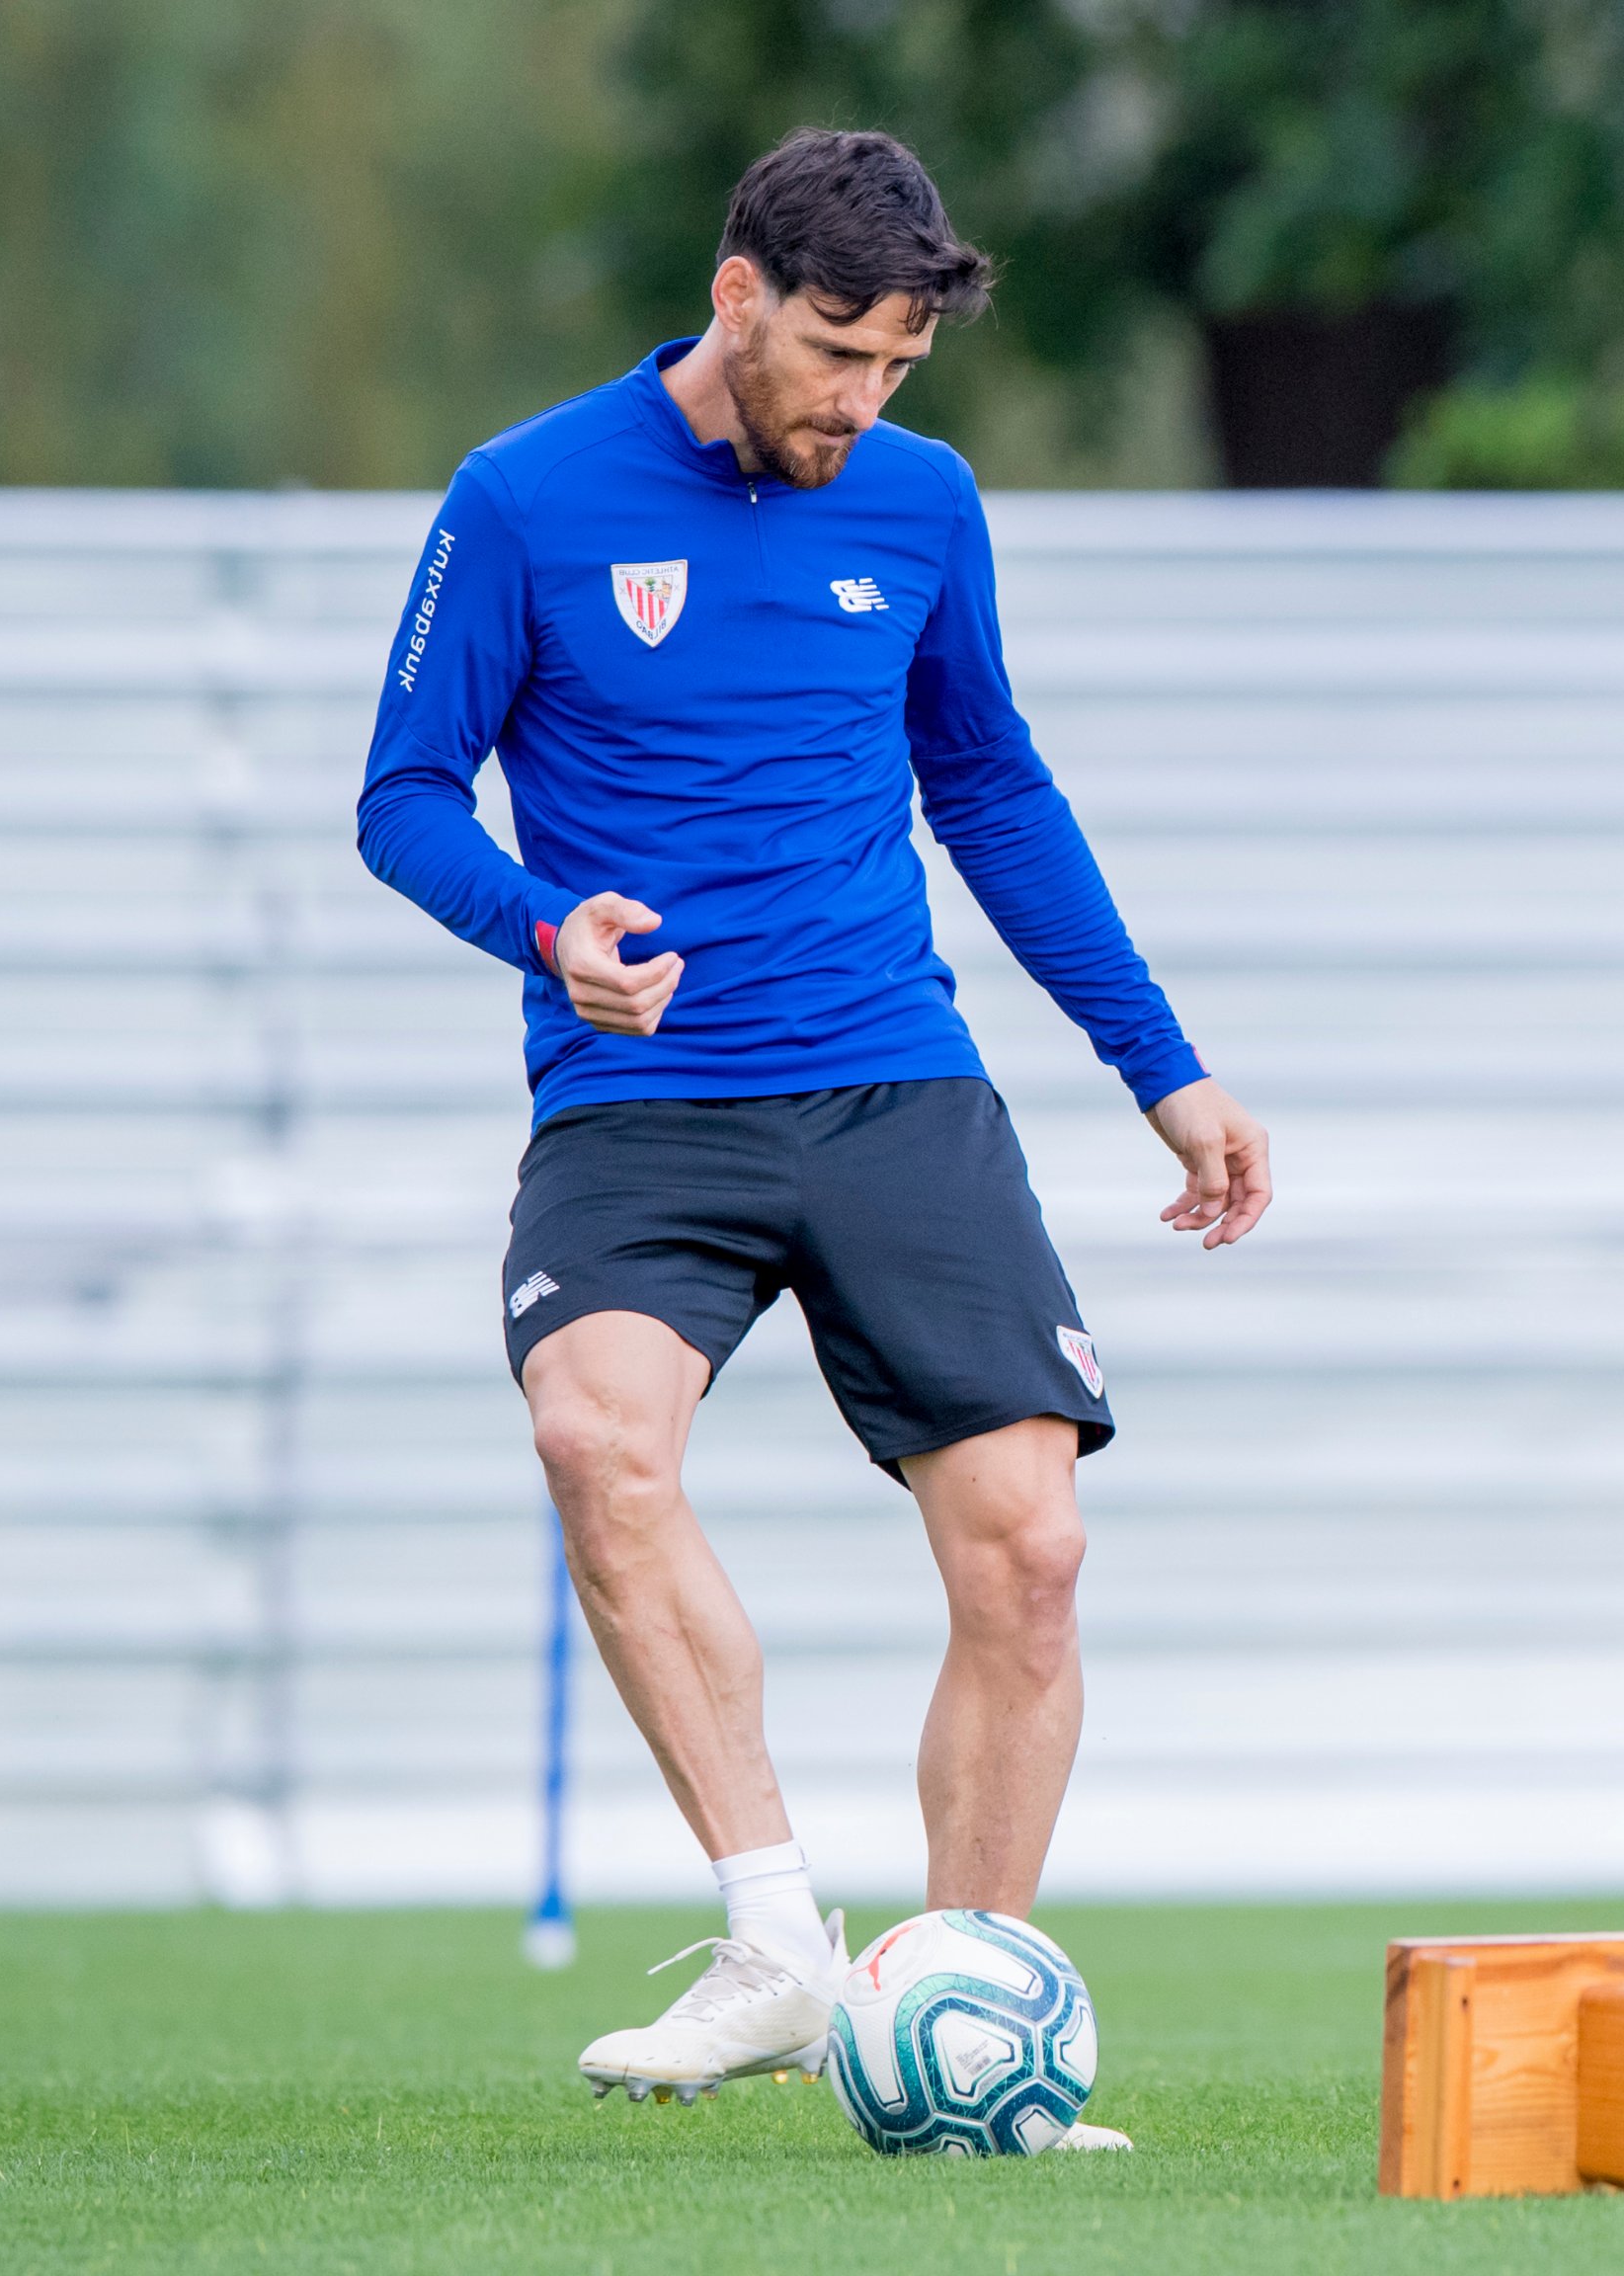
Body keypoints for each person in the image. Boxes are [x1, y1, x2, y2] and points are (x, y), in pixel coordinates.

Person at [356, 126, 1267, 2120]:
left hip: (891, 1086)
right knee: (599, 1443)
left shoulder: (925, 508)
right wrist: (540, 924)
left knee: (1027, 1550)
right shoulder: (524, 499)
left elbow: (994, 793)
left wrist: (1161, 1067)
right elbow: (401, 792)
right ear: (737, 296)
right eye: (835, 356)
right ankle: (777, 1942)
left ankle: (968, 2017)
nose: (861, 404)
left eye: (898, 370)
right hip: (643, 1097)